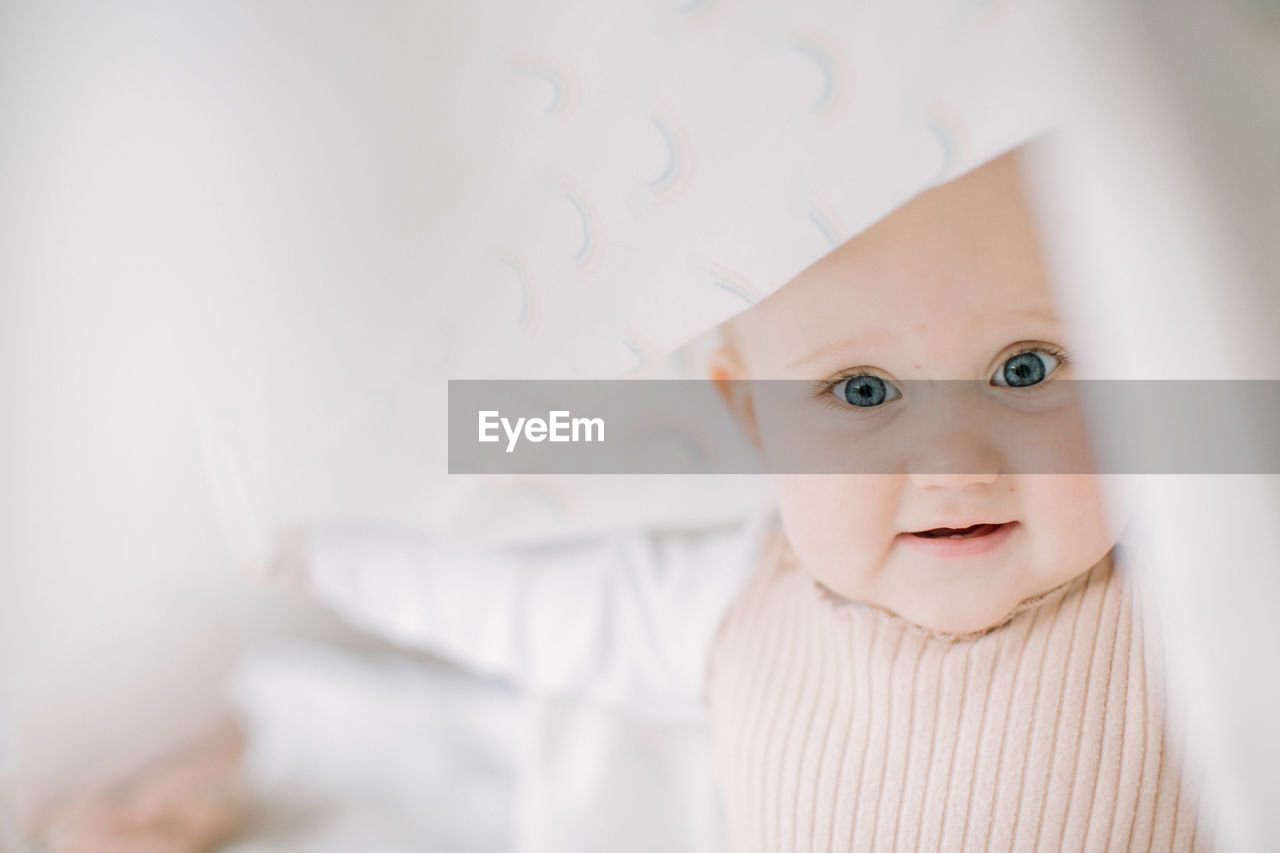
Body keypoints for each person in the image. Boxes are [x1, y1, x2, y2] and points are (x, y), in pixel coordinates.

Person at [28, 148, 1216, 852]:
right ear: (748, 416)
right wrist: (327, 550)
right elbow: (523, 603)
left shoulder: (1189, 572)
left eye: (1024, 370)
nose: (953, 461)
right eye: (859, 391)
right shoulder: (736, 602)